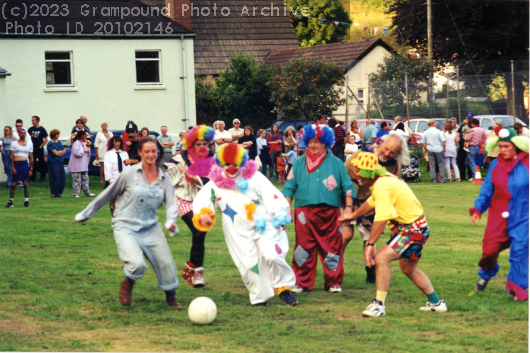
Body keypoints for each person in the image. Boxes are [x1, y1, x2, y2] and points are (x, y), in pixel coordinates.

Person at [75, 137, 181, 308]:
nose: (150, 154)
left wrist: (171, 221)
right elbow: (107, 194)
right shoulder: (129, 173)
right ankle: (128, 283)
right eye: (146, 151)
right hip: (125, 225)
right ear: (139, 153)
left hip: (151, 226)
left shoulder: (164, 178)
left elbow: (172, 202)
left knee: (166, 263)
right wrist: (87, 213)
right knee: (136, 263)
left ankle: (171, 296)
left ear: (158, 153)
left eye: (154, 151)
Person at [339, 152, 447, 317]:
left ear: (369, 173)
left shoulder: (382, 185)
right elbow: (370, 203)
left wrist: (369, 245)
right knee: (408, 269)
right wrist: (352, 216)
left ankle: (379, 305)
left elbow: (381, 218)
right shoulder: (381, 181)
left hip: (412, 229)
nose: (356, 175)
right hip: (416, 227)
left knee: (381, 258)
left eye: (359, 171)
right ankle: (437, 303)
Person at [192, 143, 298, 306]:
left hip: (264, 225)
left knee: (272, 255)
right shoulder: (216, 182)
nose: (232, 167)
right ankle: (259, 296)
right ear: (222, 163)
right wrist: (204, 214)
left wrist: (280, 215)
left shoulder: (254, 176)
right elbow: (203, 199)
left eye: (235, 163)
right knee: (249, 265)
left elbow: (272, 195)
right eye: (228, 164)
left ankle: (284, 289)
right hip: (238, 231)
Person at [283, 124, 355, 293]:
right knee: (302, 247)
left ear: (325, 142)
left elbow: (348, 187)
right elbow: (288, 187)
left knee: (332, 248)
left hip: (330, 213)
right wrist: (287, 207)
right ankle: (300, 281)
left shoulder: (337, 163)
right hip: (304, 213)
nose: (313, 145)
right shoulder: (299, 163)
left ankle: (333, 282)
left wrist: (349, 209)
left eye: (317, 141)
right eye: (311, 141)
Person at [470, 127, 528, 301]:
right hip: (498, 217)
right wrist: (478, 208)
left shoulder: (527, 162)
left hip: (524, 216)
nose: (502, 150)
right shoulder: (496, 164)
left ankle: (516, 288)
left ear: (516, 145)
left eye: (506, 146)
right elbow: (487, 189)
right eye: (500, 146)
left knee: (519, 252)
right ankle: (487, 272)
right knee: (490, 249)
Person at [343, 134, 410, 283]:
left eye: (392, 152)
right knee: (346, 235)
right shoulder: (362, 154)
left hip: (372, 201)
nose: (387, 153)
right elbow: (346, 175)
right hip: (350, 198)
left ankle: (370, 269)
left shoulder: (392, 164)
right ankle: (334, 264)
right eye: (386, 149)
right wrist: (350, 201)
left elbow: (388, 184)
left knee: (369, 236)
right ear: (381, 143)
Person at [165, 126, 216, 288]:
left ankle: (190, 266)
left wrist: (189, 175)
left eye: (205, 144)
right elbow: (164, 179)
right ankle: (197, 272)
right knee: (199, 230)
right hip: (183, 200)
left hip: (203, 202)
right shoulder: (179, 160)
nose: (202, 147)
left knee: (200, 234)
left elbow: (208, 182)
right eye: (198, 144)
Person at [5, 128, 33, 208]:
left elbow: (31, 157)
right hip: (16, 164)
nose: (23, 134)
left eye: (24, 133)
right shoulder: (14, 144)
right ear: (19, 134)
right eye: (21, 133)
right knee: (13, 184)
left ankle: (26, 200)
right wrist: (13, 168)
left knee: (25, 183)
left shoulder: (29, 144)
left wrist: (31, 169)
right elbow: (11, 157)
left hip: (24, 164)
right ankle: (11, 201)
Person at [68, 130, 95, 198]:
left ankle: (87, 192)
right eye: (85, 136)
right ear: (82, 136)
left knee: (85, 179)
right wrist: (84, 150)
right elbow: (76, 153)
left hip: (83, 165)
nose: (86, 137)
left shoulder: (84, 143)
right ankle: (76, 193)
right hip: (76, 165)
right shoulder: (76, 144)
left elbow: (87, 152)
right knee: (77, 180)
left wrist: (88, 150)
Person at [423, 119, 447, 183]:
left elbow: (423, 142)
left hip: (430, 149)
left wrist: (426, 148)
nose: (436, 123)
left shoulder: (425, 132)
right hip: (439, 149)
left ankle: (434, 179)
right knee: (441, 164)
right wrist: (444, 148)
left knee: (432, 164)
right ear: (433, 124)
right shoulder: (438, 131)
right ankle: (442, 179)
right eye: (435, 122)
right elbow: (443, 140)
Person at [27, 115, 48, 182]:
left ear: (37, 121)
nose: (32, 121)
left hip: (39, 148)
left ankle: (42, 177)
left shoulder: (42, 129)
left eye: (33, 120)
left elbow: (46, 139)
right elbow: (27, 138)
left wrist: (41, 146)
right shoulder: (30, 129)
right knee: (33, 162)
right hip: (32, 148)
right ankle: (33, 177)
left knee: (41, 162)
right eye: (31, 120)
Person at [47, 129, 66, 198]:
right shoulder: (50, 143)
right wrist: (59, 152)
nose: (58, 136)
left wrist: (59, 153)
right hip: (53, 162)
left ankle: (59, 193)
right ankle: (53, 193)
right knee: (55, 177)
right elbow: (55, 153)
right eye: (57, 134)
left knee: (61, 177)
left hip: (60, 162)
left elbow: (64, 151)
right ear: (54, 135)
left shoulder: (59, 142)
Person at [456, 112, 474, 181]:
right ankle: (462, 176)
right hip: (461, 145)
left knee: (470, 161)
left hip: (469, 145)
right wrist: (457, 136)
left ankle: (470, 176)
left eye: (470, 118)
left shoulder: (474, 124)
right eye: (468, 117)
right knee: (461, 160)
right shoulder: (463, 125)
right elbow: (458, 132)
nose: (469, 119)